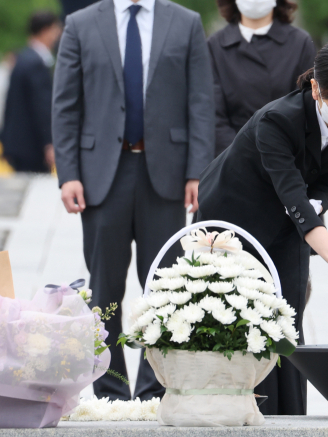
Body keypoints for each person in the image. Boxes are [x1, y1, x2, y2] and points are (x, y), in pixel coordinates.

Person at [198, 38, 328, 415]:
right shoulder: (277, 120)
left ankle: (288, 417)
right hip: (234, 217)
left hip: (292, 220)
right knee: (238, 317)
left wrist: (318, 203)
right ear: (316, 88)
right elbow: (291, 194)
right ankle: (234, 413)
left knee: (285, 318)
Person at [52, 0, 214, 401]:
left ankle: (154, 387)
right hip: (100, 175)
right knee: (104, 285)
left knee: (164, 286)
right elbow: (65, 104)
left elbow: (200, 102)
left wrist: (199, 171)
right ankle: (110, 389)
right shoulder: (80, 24)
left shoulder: (186, 23)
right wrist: (68, 174)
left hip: (167, 173)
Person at [208, 0, 315, 157]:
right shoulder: (215, 45)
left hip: (285, 157)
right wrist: (240, 153)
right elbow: (213, 114)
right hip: (232, 159)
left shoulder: (300, 43)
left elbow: (307, 108)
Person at [1, 12, 61, 173]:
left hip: (19, 143)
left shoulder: (23, 58)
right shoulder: (35, 63)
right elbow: (41, 106)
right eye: (56, 29)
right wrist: (48, 143)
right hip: (31, 145)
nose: (58, 34)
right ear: (45, 30)